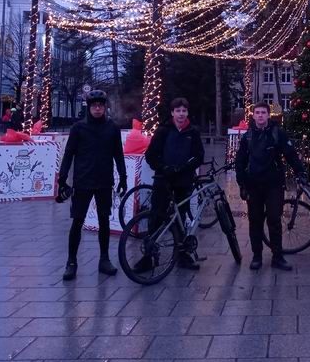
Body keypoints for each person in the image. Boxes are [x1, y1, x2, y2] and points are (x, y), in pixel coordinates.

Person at [57, 90, 127, 280]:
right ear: (90, 107)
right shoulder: (78, 128)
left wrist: (123, 176)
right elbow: (69, 154)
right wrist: (62, 179)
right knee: (77, 221)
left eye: (101, 105)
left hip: (104, 180)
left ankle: (104, 259)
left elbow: (118, 154)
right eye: (94, 105)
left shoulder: (112, 128)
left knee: (104, 219)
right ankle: (71, 261)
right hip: (83, 181)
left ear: (105, 107)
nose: (98, 108)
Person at [235, 102, 306, 271]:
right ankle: (257, 256)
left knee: (274, 220)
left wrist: (300, 172)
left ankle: (277, 256)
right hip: (253, 184)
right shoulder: (248, 137)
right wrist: (241, 183)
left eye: (263, 113)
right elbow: (240, 161)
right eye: (257, 112)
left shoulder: (277, 133)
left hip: (274, 184)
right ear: (253, 116)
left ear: (268, 115)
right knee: (255, 221)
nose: (260, 115)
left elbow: (290, 154)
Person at [144, 97, 205, 270]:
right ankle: (148, 257)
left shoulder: (192, 132)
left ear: (187, 113)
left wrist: (185, 167)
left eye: (184, 111)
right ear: (172, 113)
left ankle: (182, 256)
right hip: (163, 180)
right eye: (178, 111)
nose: (181, 114)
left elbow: (199, 156)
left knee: (181, 218)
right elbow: (151, 155)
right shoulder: (163, 131)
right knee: (156, 217)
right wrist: (163, 167)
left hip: (183, 181)